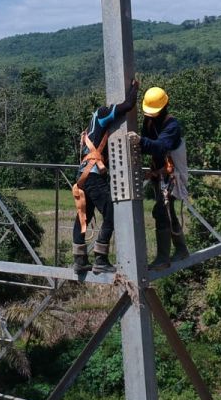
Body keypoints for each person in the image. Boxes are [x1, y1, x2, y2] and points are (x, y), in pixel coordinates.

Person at [72, 78, 139, 274]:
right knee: (111, 212)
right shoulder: (101, 114)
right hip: (92, 175)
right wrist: (135, 87)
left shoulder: (91, 127)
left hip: (83, 175)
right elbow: (127, 105)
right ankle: (100, 257)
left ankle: (79, 259)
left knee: (84, 216)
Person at [138, 86, 190, 270]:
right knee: (168, 212)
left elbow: (159, 147)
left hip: (175, 177)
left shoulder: (172, 126)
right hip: (161, 175)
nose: (150, 116)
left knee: (161, 211)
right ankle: (181, 249)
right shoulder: (149, 122)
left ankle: (162, 257)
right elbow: (147, 145)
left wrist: (139, 141)